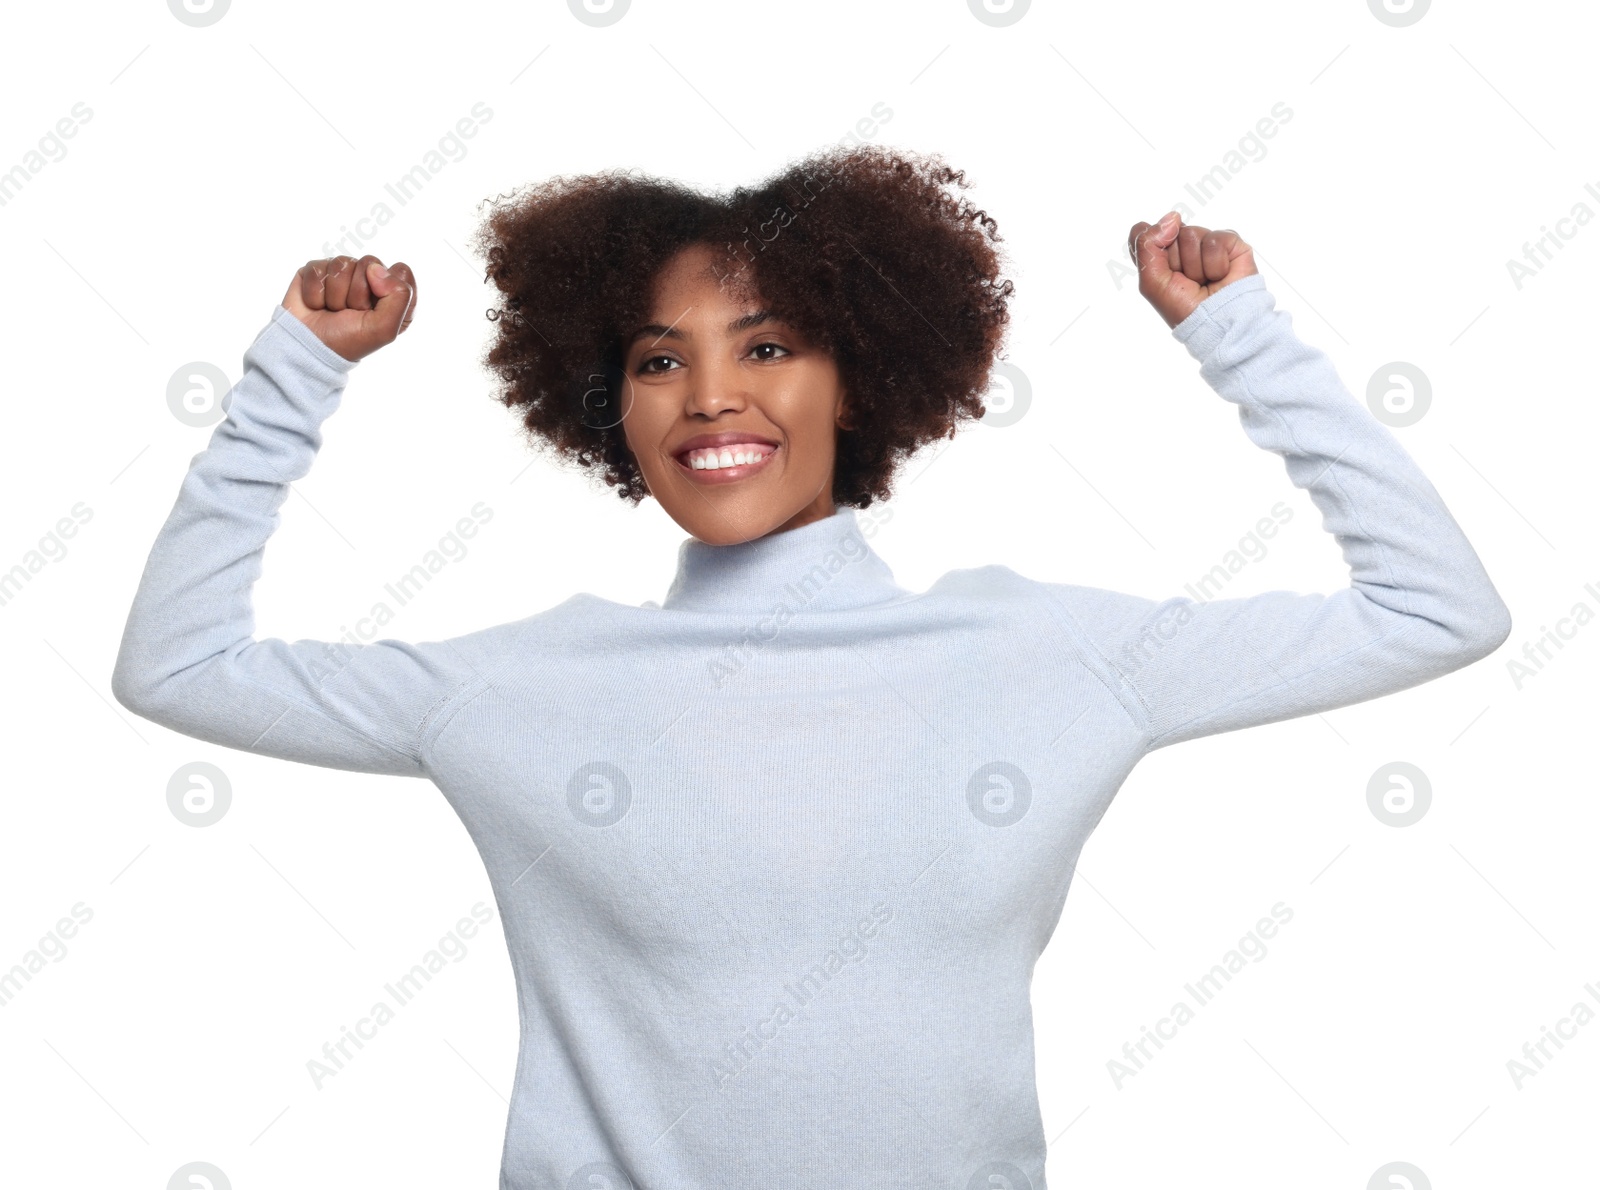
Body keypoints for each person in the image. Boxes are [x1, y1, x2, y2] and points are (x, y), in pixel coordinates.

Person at [112, 144, 1510, 1189]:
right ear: (613, 406)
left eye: (767, 345)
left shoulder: (1047, 652)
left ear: (860, 378)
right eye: (661, 359)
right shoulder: (520, 684)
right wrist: (300, 365)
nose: (710, 393)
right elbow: (177, 665)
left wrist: (1239, 333)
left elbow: (1436, 606)